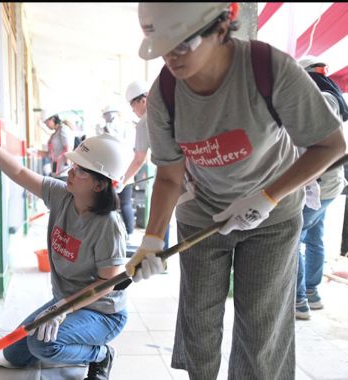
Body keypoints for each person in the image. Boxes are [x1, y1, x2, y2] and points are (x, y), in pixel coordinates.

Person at [125, 3, 345, 380]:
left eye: (183, 44)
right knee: (198, 320)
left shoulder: (269, 69)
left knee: (260, 327)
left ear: (221, 27)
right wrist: (151, 240)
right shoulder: (164, 93)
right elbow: (168, 175)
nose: (171, 57)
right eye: (162, 45)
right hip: (201, 214)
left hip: (272, 216)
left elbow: (331, 146)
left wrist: (267, 197)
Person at [0, 128, 130, 380]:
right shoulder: (63, 195)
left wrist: (64, 308)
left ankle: (101, 354)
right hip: (65, 301)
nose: (71, 172)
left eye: (81, 170)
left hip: (102, 313)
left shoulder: (108, 225)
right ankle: (68, 338)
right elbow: (20, 173)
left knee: (42, 345)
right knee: (14, 354)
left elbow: (107, 283)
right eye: (74, 165)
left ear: (99, 184)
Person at [295, 56, 348, 320]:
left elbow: (314, 144)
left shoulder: (319, 97)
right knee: (315, 237)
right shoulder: (332, 93)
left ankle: (299, 300)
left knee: (293, 240)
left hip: (319, 183)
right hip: (331, 183)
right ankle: (312, 293)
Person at [123, 80, 170, 247]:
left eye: (133, 106)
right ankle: (162, 254)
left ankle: (160, 257)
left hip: (167, 175)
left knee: (161, 214)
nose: (133, 110)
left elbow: (138, 160)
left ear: (142, 100)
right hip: (190, 171)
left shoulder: (144, 122)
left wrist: (123, 181)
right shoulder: (168, 111)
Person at [96, 104, 136, 241]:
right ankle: (119, 233)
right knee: (118, 204)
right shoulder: (108, 127)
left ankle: (128, 234)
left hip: (122, 172)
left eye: (106, 115)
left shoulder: (122, 128)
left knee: (123, 203)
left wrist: (104, 129)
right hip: (114, 172)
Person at [42, 109, 74, 179]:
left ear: (53, 119)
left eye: (46, 122)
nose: (46, 125)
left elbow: (68, 148)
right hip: (56, 170)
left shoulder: (63, 129)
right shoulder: (56, 132)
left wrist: (67, 163)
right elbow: (50, 153)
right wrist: (35, 152)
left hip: (63, 172)